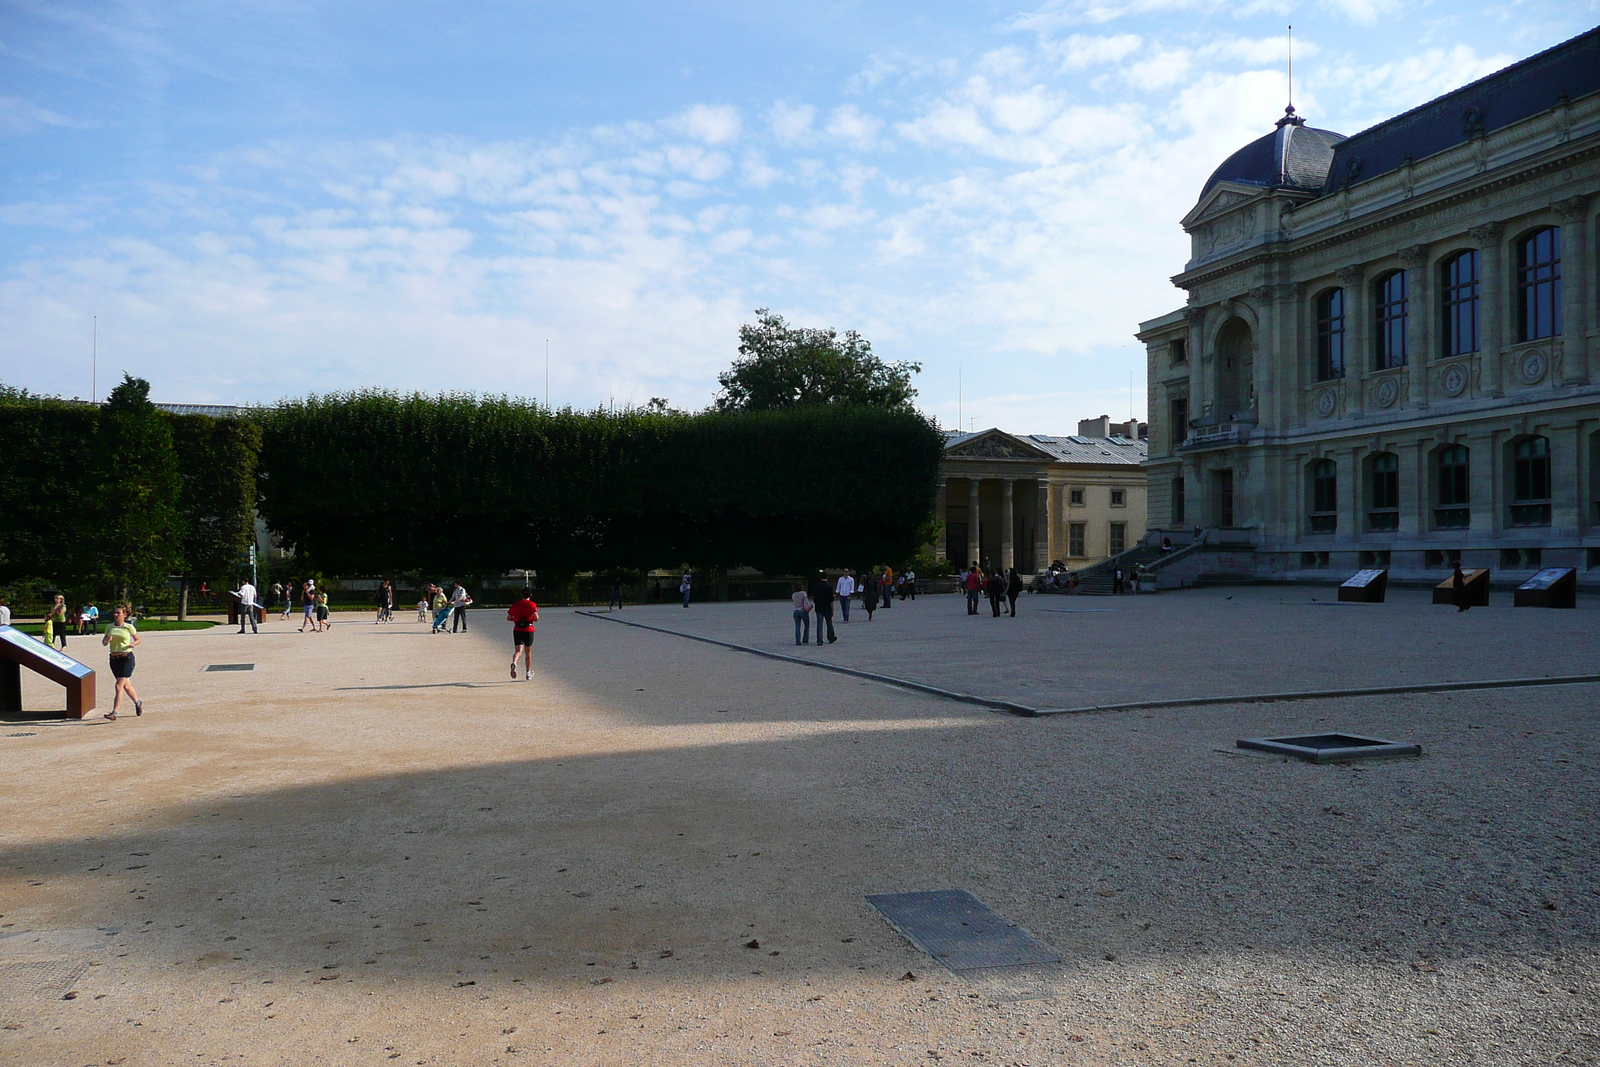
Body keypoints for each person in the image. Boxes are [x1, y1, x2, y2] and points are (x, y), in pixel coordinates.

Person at [101, 605, 142, 720]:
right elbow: (104, 642)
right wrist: (106, 640)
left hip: (126, 658)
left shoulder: (129, 627)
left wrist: (133, 644)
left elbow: (138, 639)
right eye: (115, 612)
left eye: (118, 613)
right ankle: (138, 703)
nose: (116, 615)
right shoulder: (109, 627)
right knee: (127, 687)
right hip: (114, 659)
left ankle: (114, 713)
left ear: (125, 615)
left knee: (118, 686)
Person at [506, 593, 540, 679]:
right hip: (528, 629)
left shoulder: (516, 604)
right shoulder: (532, 604)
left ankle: (515, 662)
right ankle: (528, 672)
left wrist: (517, 619)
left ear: (521, 595)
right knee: (528, 651)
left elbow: (509, 617)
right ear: (530, 595)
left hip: (517, 629)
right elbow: (536, 618)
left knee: (518, 651)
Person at [809, 574, 837, 646]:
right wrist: (832, 609)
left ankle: (819, 640)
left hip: (819, 607)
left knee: (819, 624)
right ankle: (831, 637)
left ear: (820, 578)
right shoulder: (829, 587)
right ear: (827, 578)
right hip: (827, 607)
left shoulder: (816, 587)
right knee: (829, 623)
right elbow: (831, 600)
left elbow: (814, 599)